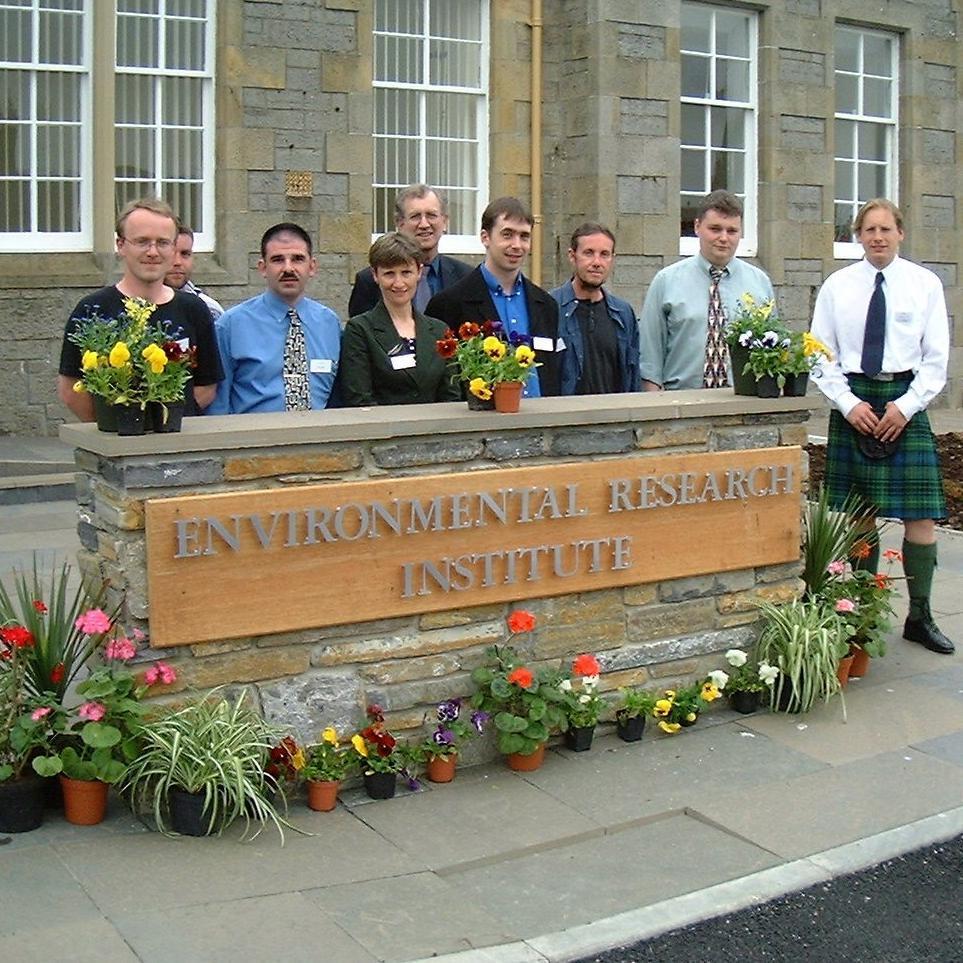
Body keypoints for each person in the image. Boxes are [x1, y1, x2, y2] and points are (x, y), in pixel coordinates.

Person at [811, 198, 954, 655]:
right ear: (858, 236)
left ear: (900, 233)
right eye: (869, 230)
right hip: (855, 400)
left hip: (904, 401)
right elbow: (819, 352)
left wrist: (906, 407)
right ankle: (861, 614)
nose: (877, 237)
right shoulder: (838, 286)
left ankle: (921, 615)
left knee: (922, 516)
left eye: (885, 229)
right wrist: (848, 404)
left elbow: (937, 359)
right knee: (859, 515)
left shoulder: (924, 285)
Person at [57, 198, 222, 420]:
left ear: (173, 248)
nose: (153, 252)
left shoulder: (194, 309)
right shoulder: (92, 310)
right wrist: (114, 425)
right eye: (142, 241)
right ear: (121, 245)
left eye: (163, 242)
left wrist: (163, 422)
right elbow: (71, 389)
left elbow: (206, 387)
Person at [426, 196, 563, 397]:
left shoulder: (546, 305)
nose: (517, 245)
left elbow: (552, 375)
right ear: (485, 237)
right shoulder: (450, 303)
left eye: (524, 236)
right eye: (507, 235)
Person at [639, 190, 775, 391]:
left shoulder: (760, 283)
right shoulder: (666, 282)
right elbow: (650, 358)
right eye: (715, 229)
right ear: (697, 227)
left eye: (732, 231)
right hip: (680, 403)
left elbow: (772, 352)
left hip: (742, 402)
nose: (723, 238)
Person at [209, 223, 341, 414]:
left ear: (312, 267)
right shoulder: (231, 326)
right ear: (263, 268)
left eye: (297, 259)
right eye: (278, 260)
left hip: (317, 439)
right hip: (254, 439)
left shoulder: (329, 324)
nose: (288, 268)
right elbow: (217, 405)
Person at [339, 233, 461, 406]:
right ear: (375, 275)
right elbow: (359, 399)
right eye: (389, 274)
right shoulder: (360, 330)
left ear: (419, 272)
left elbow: (451, 396)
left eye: (406, 272)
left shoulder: (440, 330)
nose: (398, 283)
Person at [348, 184, 472, 317]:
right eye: (415, 216)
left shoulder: (466, 277)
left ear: (445, 221)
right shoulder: (369, 282)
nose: (424, 224)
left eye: (431, 215)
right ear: (399, 223)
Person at [550, 223, 640, 395]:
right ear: (572, 256)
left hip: (614, 417)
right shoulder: (550, 308)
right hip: (565, 417)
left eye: (604, 254)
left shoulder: (623, 313)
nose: (597, 262)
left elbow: (633, 376)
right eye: (588, 253)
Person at [164, 226, 225, 321]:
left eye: (185, 254)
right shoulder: (137, 306)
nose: (177, 262)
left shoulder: (209, 310)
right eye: (170, 254)